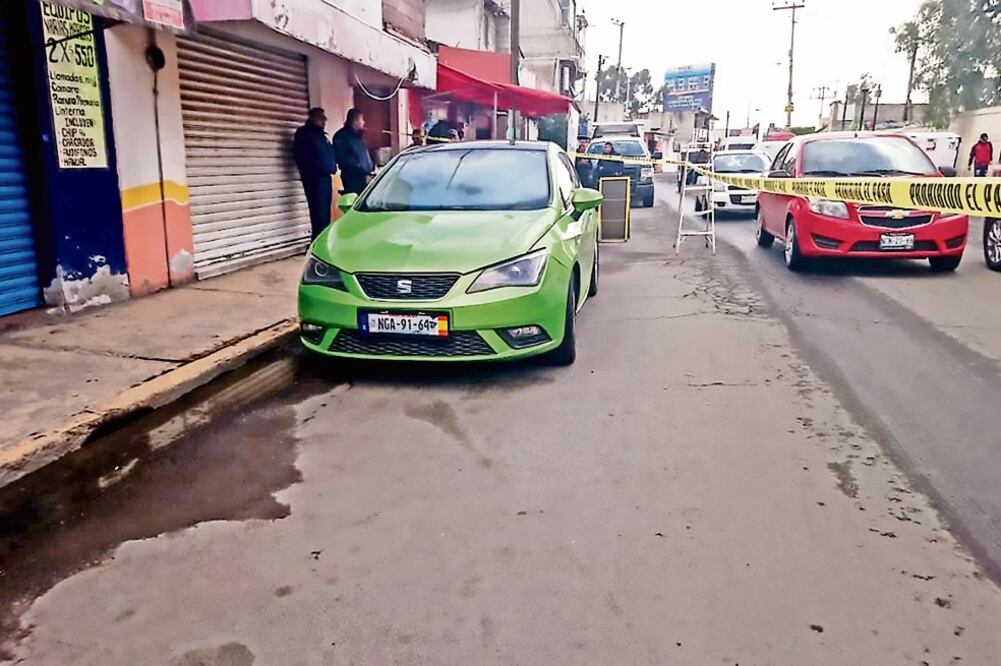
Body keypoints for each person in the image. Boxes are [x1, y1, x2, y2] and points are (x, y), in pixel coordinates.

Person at [293, 107, 337, 240]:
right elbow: (303, 159)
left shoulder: (322, 136)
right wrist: (321, 167)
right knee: (318, 214)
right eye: (321, 117)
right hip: (314, 180)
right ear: (313, 118)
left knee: (325, 215)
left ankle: (322, 240)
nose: (324, 120)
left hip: (325, 178)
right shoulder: (304, 134)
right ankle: (317, 242)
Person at [333, 108, 375, 195]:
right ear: (355, 121)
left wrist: (370, 166)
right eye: (362, 120)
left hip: (364, 177)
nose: (363, 122)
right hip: (351, 178)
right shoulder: (341, 136)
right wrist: (358, 166)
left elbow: (364, 155)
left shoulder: (358, 137)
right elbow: (341, 157)